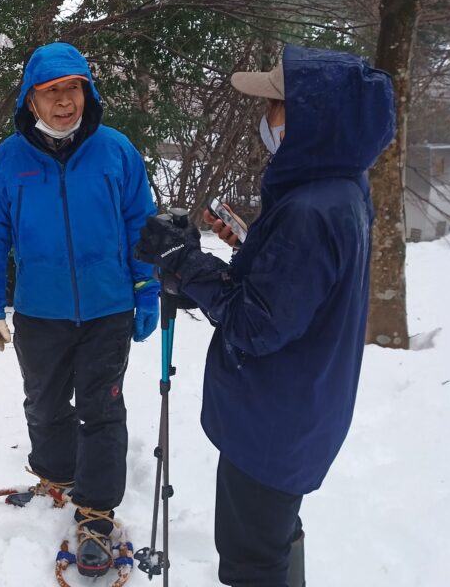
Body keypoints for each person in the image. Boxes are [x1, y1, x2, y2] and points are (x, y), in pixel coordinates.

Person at [133, 44, 395, 587]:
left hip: (274, 422)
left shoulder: (310, 209)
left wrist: (185, 261)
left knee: (252, 558)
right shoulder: (339, 188)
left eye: (274, 106)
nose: (265, 119)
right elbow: (301, 290)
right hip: (298, 410)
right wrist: (253, 247)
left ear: (307, 119)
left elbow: (257, 325)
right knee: (272, 539)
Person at [0, 41, 160, 578]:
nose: (63, 102)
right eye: (51, 92)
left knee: (101, 408)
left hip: (108, 308)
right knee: (45, 402)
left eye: (72, 89)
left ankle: (97, 511)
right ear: (31, 100)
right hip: (40, 311)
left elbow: (141, 227)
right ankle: (57, 476)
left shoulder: (116, 151)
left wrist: (146, 291)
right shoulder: (9, 161)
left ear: (87, 92)